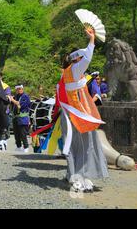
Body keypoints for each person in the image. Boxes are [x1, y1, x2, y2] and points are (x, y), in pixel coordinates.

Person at [55, 27, 108, 193]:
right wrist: (91, 40)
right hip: (77, 114)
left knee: (74, 145)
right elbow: (88, 58)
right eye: (79, 57)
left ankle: (75, 175)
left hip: (71, 113)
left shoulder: (65, 74)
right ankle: (79, 176)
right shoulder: (75, 70)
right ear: (75, 60)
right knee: (83, 145)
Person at [10, 85, 31, 153]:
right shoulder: (16, 96)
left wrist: (12, 100)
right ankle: (18, 146)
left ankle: (26, 147)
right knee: (16, 134)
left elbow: (19, 105)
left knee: (23, 134)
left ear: (22, 89)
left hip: (23, 117)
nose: (19, 90)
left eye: (20, 89)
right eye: (17, 89)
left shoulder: (25, 96)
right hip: (15, 117)